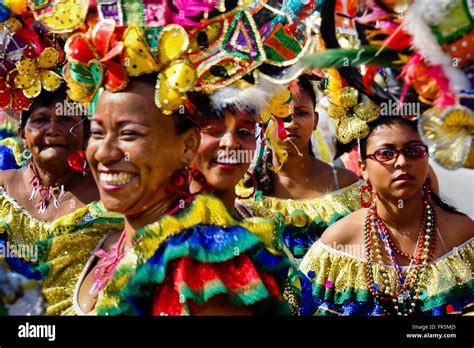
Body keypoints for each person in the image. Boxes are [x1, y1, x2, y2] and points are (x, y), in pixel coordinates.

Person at [299, 116, 473, 316]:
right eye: (386, 153)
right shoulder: (337, 243)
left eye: (414, 151)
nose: (402, 162)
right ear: (363, 168)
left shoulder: (463, 236)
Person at [0, 84, 124, 315]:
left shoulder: (113, 196)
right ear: (22, 135)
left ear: (86, 133)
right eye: (40, 120)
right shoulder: (2, 187)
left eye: (66, 119)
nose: (53, 129)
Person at [245, 75, 363, 259]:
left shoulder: (346, 184)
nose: (291, 123)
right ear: (264, 121)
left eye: (301, 113)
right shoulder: (245, 191)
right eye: (281, 113)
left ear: (315, 120)